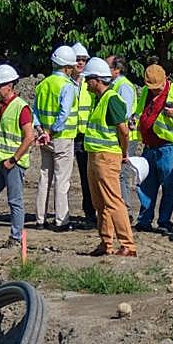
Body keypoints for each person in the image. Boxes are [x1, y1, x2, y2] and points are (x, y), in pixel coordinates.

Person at [80, 57, 136, 256]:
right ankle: (106, 243)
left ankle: (128, 245)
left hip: (106, 156)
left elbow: (124, 131)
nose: (86, 82)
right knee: (100, 202)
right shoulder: (99, 99)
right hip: (95, 155)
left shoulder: (112, 99)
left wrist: (123, 152)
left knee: (113, 201)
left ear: (97, 80)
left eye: (88, 79)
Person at [133, 64, 173, 234]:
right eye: (151, 87)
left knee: (168, 185)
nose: (154, 90)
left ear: (165, 78)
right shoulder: (146, 93)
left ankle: (164, 221)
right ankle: (144, 220)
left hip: (167, 147)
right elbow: (140, 113)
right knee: (146, 184)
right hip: (149, 147)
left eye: (157, 87)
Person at [0, 65, 33, 249]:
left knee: (15, 201)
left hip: (13, 163)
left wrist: (14, 159)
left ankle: (16, 238)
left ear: (10, 85)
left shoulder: (21, 107)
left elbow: (29, 137)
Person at [32, 46, 79, 231]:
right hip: (62, 137)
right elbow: (64, 114)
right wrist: (51, 131)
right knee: (62, 179)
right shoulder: (67, 86)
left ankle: (40, 219)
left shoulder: (43, 84)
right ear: (67, 67)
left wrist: (41, 130)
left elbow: (35, 111)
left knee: (44, 177)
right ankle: (61, 220)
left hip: (44, 136)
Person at [108, 55, 139, 216]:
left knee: (122, 174)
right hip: (118, 136)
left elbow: (123, 114)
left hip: (126, 137)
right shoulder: (114, 85)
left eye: (108, 67)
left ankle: (125, 212)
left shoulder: (124, 86)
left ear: (117, 69)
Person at [72, 43, 96, 228]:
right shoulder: (66, 83)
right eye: (77, 60)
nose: (80, 63)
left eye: (83, 60)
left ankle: (93, 211)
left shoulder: (91, 83)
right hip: (72, 135)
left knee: (91, 176)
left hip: (89, 136)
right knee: (80, 177)